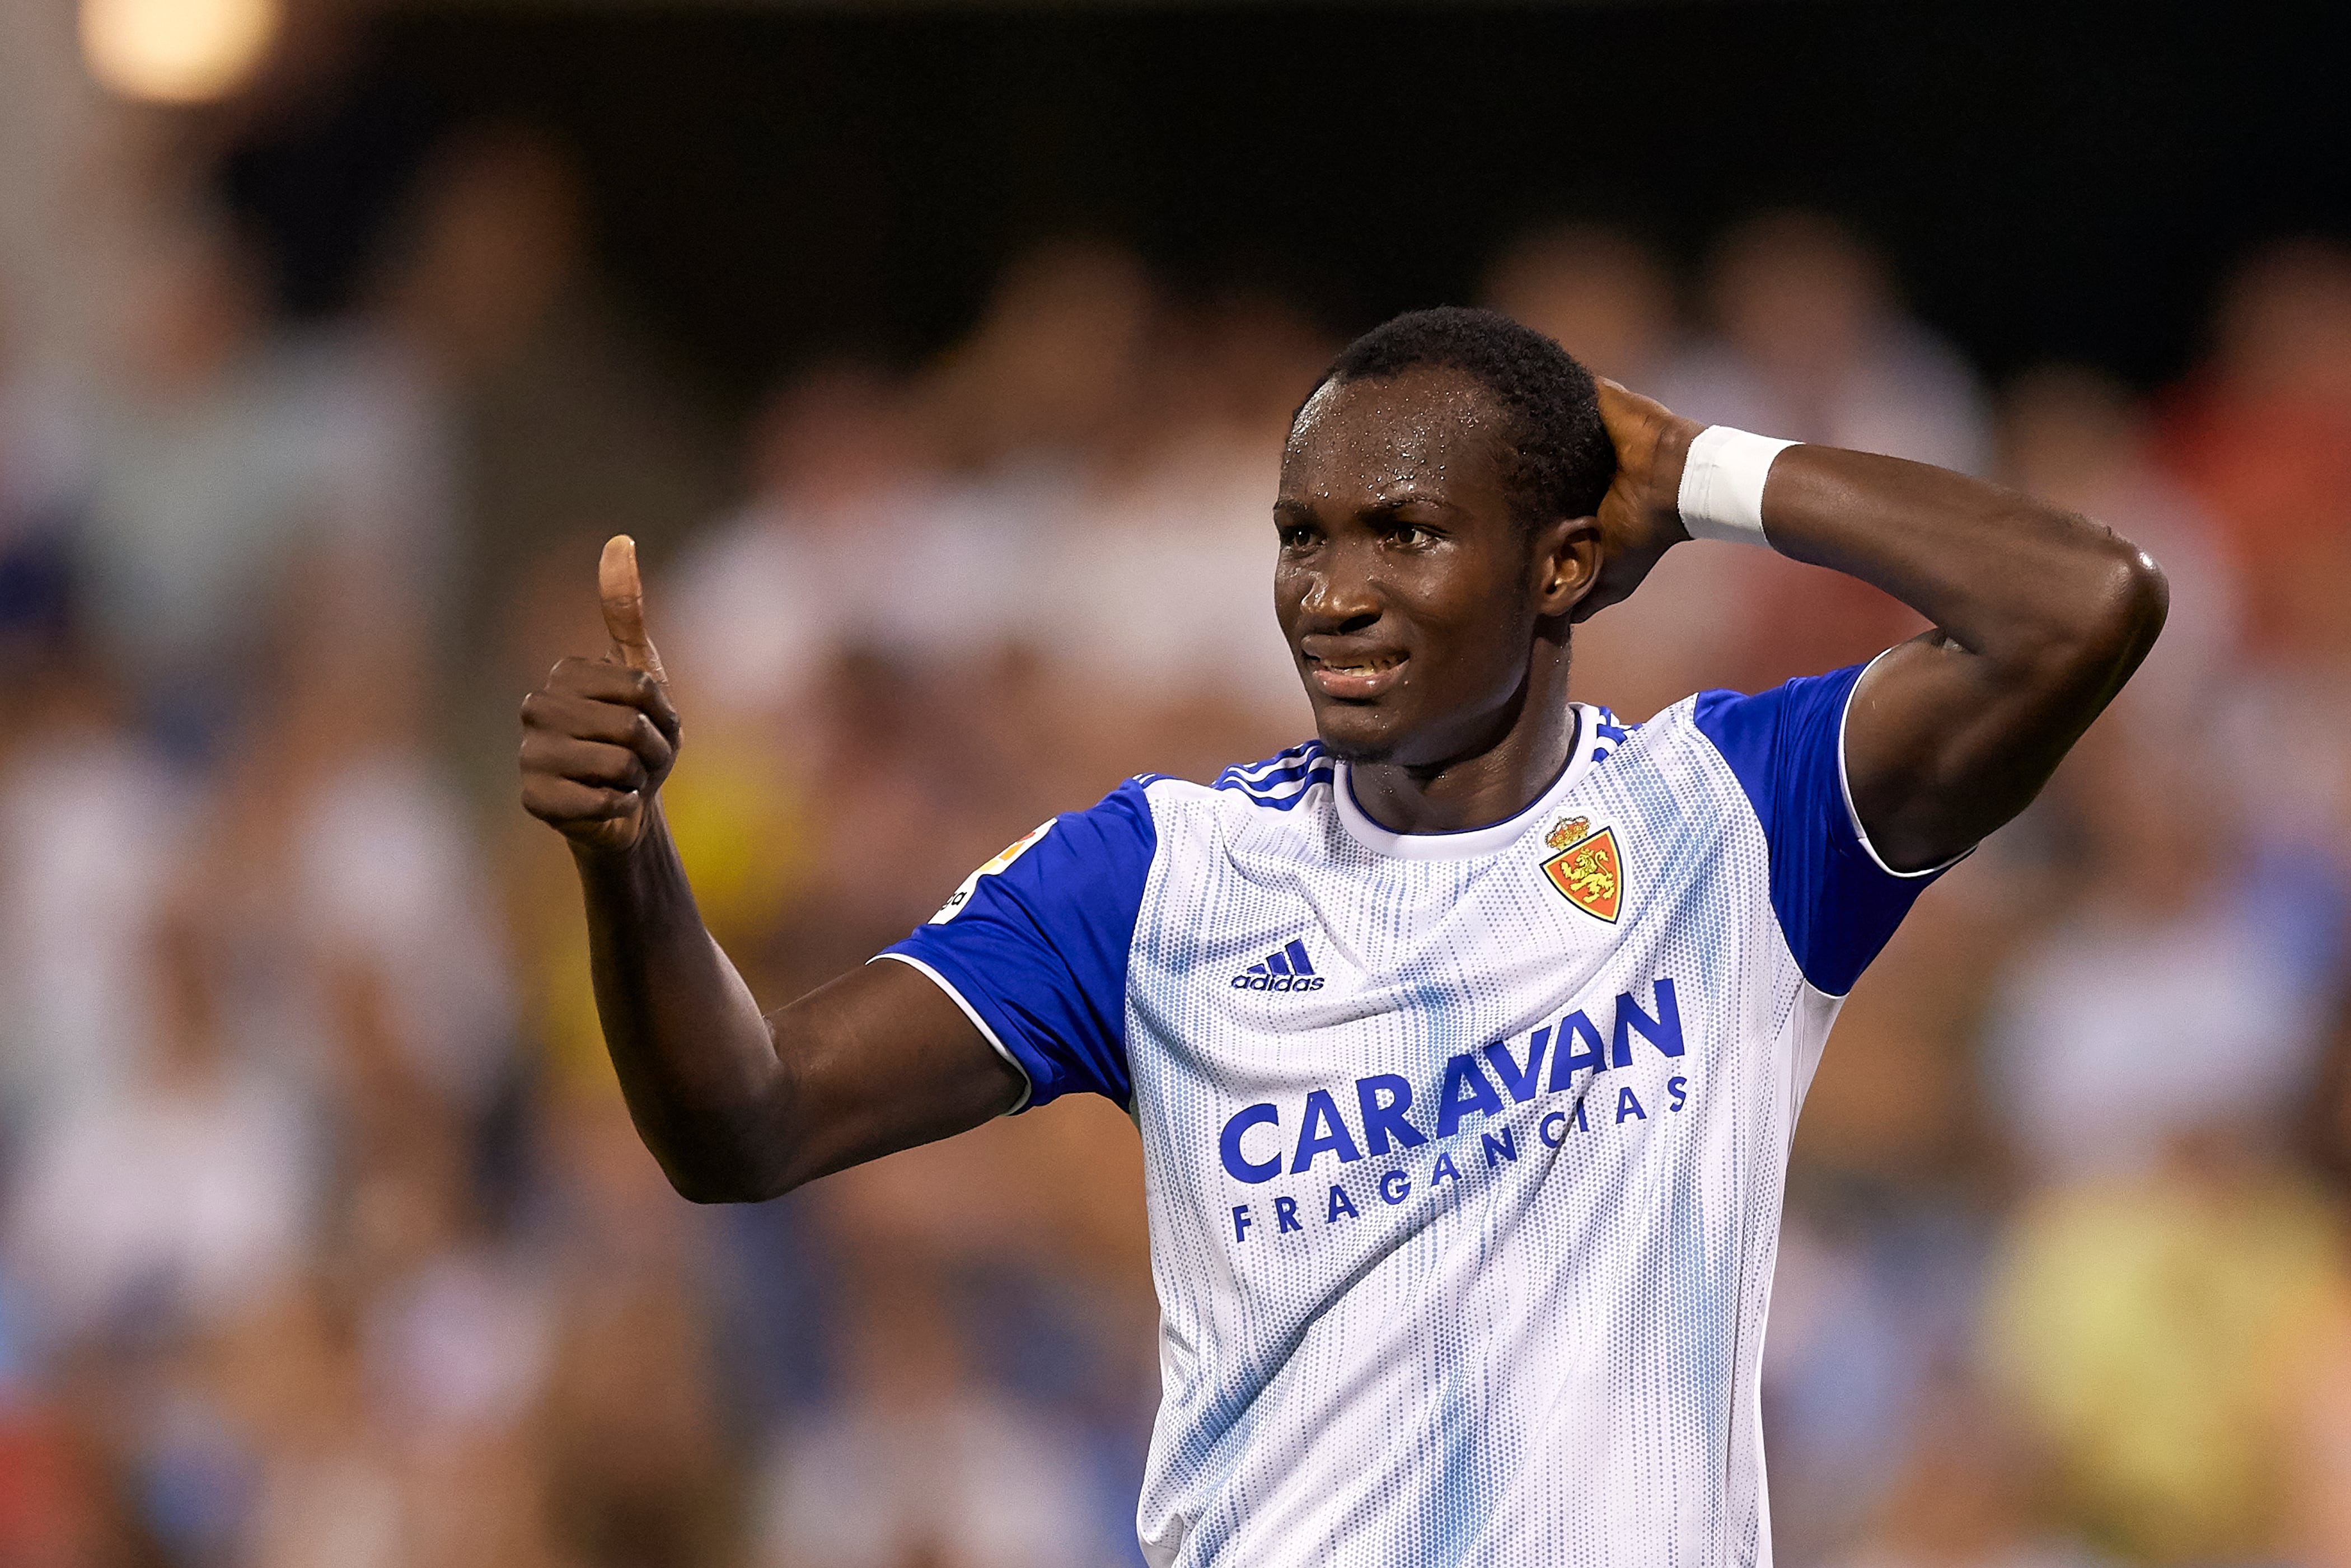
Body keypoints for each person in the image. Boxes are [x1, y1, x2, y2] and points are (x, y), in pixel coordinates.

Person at [518, 308, 2166, 1562]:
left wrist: (1708, 476)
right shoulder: (1155, 878)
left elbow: (2085, 606)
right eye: (1305, 535)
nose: (1334, 588)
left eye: (1406, 532)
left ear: (1565, 565)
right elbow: (749, 1118)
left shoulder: (1725, 820)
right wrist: (625, 854)